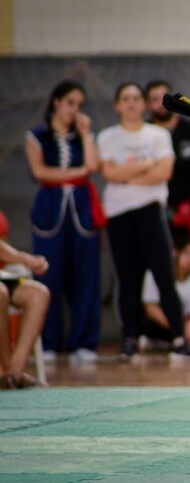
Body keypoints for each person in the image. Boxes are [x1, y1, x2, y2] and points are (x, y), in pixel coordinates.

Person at [97, 82, 190, 360]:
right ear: (117, 105)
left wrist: (126, 173)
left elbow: (164, 171)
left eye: (135, 98)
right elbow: (108, 173)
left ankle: (179, 337)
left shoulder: (157, 135)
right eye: (125, 98)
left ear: (144, 104)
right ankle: (128, 339)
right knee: (127, 279)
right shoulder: (107, 137)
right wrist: (144, 167)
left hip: (151, 211)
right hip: (118, 214)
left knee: (165, 276)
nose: (130, 103)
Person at [24, 81, 103, 363]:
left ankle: (84, 341)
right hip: (50, 208)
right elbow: (39, 171)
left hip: (81, 209)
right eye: (71, 103)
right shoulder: (37, 136)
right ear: (56, 102)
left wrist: (85, 135)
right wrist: (75, 173)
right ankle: (48, 341)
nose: (75, 110)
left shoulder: (83, 135)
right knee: (49, 274)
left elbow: (93, 167)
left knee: (85, 276)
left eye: (80, 105)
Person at [146, 80, 190, 240]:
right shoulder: (144, 132)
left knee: (189, 256)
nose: (161, 104)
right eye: (154, 99)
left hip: (187, 207)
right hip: (153, 207)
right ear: (147, 104)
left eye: (165, 98)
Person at [141, 234, 190, 351]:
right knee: (145, 323)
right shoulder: (155, 272)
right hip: (166, 322)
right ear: (176, 252)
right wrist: (177, 327)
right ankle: (171, 340)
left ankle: (174, 341)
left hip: (189, 323)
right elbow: (151, 308)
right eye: (187, 253)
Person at [0, 239, 51, 389]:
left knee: (38, 294)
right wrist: (27, 260)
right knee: (0, 293)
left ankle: (14, 372)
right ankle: (7, 374)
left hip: (4, 275)